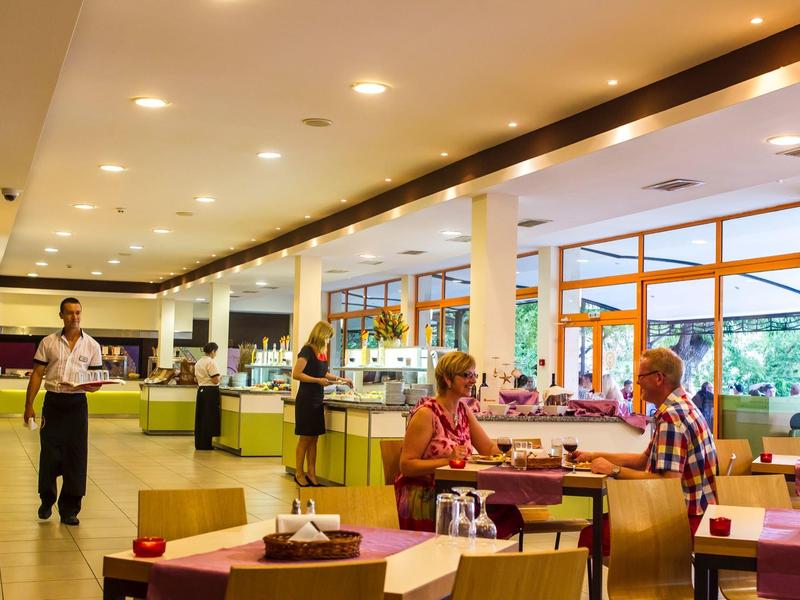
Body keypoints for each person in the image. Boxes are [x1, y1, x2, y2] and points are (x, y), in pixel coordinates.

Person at [573, 347, 717, 555]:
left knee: (591, 536)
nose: (637, 382)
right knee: (600, 525)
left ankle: (639, 580)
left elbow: (668, 483)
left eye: (641, 376)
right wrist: (595, 455)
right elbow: (643, 460)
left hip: (681, 519)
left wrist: (614, 470)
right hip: (702, 513)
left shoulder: (671, 418)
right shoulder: (684, 408)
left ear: (658, 378)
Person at [394, 351, 521, 537]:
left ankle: (479, 562)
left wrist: (514, 453)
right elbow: (407, 466)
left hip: (458, 491)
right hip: (425, 495)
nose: (473, 380)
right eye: (466, 375)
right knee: (483, 512)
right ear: (447, 379)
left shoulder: (463, 409)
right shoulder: (426, 413)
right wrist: (448, 460)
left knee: (505, 509)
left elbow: (488, 449)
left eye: (474, 375)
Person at [24, 298, 103, 526]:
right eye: (69, 313)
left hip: (77, 405)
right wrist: (29, 405)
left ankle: (70, 509)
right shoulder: (48, 342)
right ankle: (47, 499)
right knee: (49, 454)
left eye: (78, 312)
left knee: (76, 456)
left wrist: (91, 386)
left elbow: (96, 382)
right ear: (61, 315)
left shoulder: (92, 346)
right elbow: (37, 374)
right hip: (53, 403)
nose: (74, 317)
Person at [291, 321, 352, 487]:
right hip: (306, 399)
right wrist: (317, 380)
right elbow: (296, 374)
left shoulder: (321, 353)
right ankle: (299, 472)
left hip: (317, 399)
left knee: (314, 438)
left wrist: (341, 379)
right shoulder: (307, 350)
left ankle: (312, 472)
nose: (329, 340)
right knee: (305, 438)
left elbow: (323, 373)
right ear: (321, 334)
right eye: (328, 337)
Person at [193, 342, 221, 450]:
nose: (216, 354)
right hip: (210, 392)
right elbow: (215, 380)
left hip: (201, 391)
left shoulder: (199, 362)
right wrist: (220, 379)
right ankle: (206, 444)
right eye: (216, 351)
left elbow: (196, 379)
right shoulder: (211, 362)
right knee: (209, 418)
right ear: (213, 351)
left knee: (201, 418)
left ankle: (199, 443)